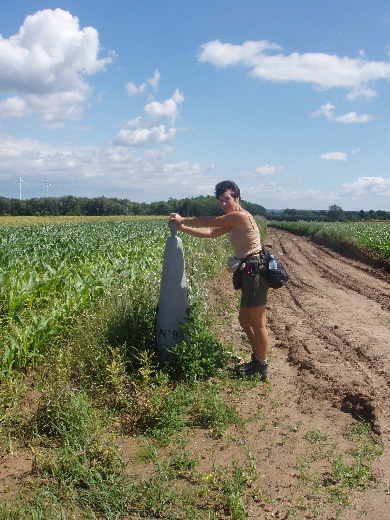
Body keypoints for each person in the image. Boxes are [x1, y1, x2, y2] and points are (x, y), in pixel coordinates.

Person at [169, 180, 270, 380]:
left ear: (237, 198)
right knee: (244, 320)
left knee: (257, 322)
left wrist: (183, 219)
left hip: (256, 271)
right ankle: (258, 357)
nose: (224, 204)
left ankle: (262, 365)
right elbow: (210, 232)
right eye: (221, 201)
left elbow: (209, 222)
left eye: (227, 199)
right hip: (248, 271)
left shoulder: (240, 216)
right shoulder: (232, 220)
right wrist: (182, 229)